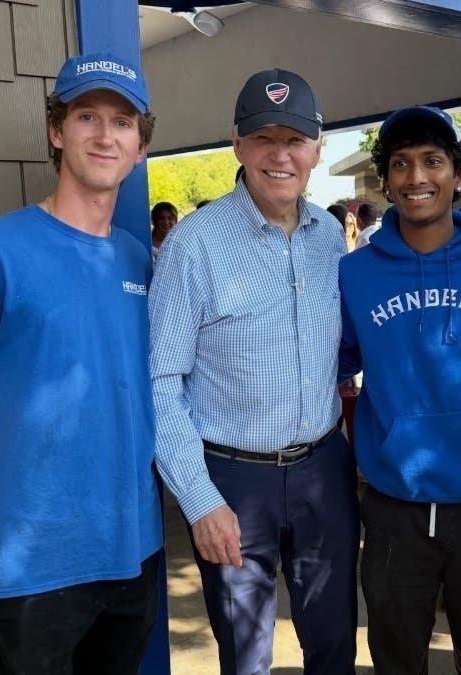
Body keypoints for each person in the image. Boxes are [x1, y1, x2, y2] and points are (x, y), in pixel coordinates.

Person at [0, 52, 162, 674]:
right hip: (33, 568)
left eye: (123, 121)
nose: (105, 135)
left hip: (134, 552)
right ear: (57, 132)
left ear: (140, 146)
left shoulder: (140, 261)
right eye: (86, 116)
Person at [149, 68, 358, 675]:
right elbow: (161, 382)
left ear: (317, 150)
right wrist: (198, 498)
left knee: (335, 644)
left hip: (323, 469)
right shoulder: (195, 245)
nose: (280, 155)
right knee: (246, 657)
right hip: (233, 481)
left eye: (294, 139)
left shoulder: (328, 238)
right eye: (263, 138)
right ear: (237, 145)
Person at [339, 105, 461, 673]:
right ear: (385, 178)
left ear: (457, 172)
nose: (416, 177)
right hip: (395, 504)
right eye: (400, 164)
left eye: (432, 161)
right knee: (397, 658)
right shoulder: (357, 272)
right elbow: (334, 360)